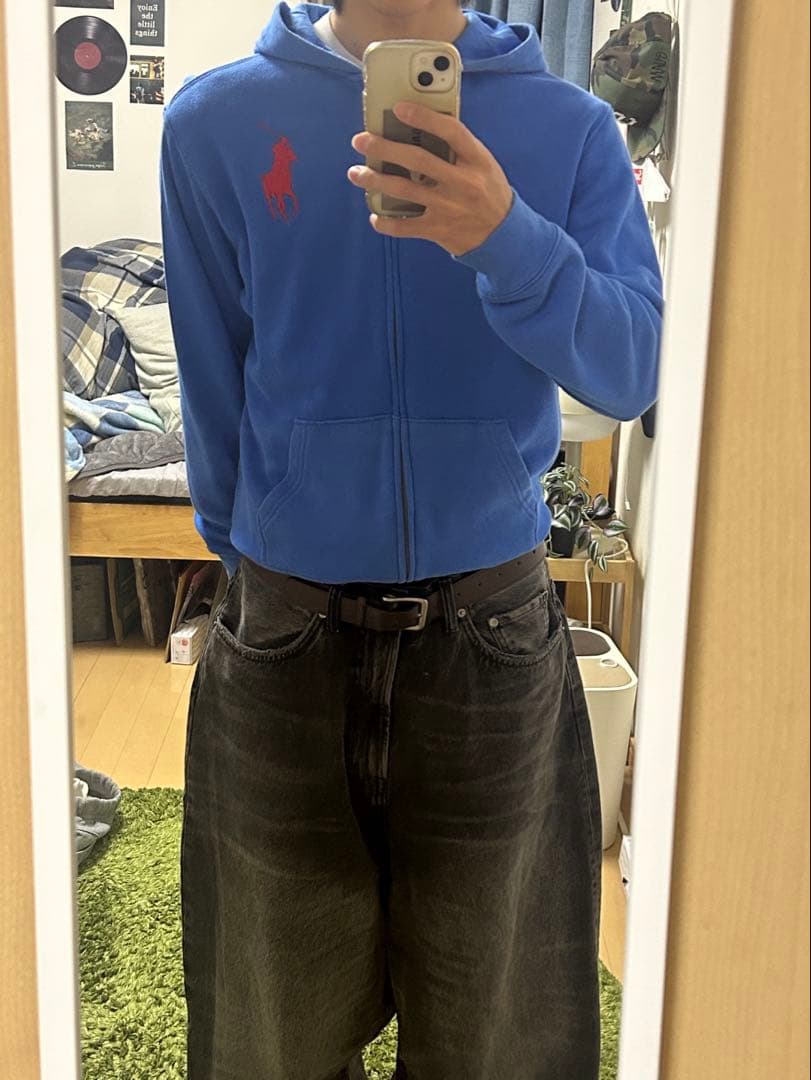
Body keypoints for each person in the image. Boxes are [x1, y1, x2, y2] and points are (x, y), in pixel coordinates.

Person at [159, 0, 662, 1075]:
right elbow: (213, 380)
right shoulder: (214, 123)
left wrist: (506, 238)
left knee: (497, 1040)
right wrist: (257, 568)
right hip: (282, 632)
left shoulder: (570, 128)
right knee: (270, 1038)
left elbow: (631, 370)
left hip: (492, 636)